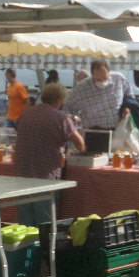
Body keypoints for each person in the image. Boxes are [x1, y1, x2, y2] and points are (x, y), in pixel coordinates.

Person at [13, 82, 85, 226]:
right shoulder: (61, 118)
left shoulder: (26, 113)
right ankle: (45, 248)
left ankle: (27, 248)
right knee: (45, 223)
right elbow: (81, 145)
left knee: (25, 223)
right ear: (59, 100)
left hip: (22, 173)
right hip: (45, 176)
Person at [65, 59, 134, 129]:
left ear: (109, 72)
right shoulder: (81, 88)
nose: (102, 82)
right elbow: (68, 106)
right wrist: (73, 118)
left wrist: (127, 107)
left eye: (105, 78)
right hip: (94, 130)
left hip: (119, 128)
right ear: (92, 75)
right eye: (98, 80)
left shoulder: (119, 79)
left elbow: (129, 95)